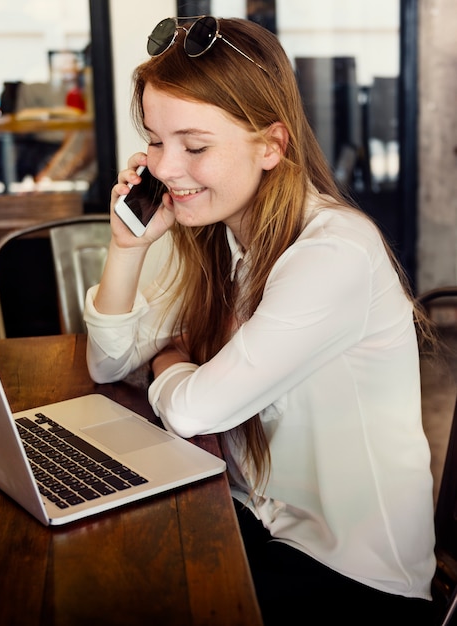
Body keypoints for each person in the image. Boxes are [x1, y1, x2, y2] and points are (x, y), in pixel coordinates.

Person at [83, 16, 437, 625]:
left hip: (355, 578)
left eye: (194, 146)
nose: (165, 168)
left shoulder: (334, 252)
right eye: (155, 140)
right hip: (252, 520)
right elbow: (109, 360)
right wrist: (128, 246)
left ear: (272, 145)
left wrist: (170, 360)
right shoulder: (213, 229)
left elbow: (196, 409)